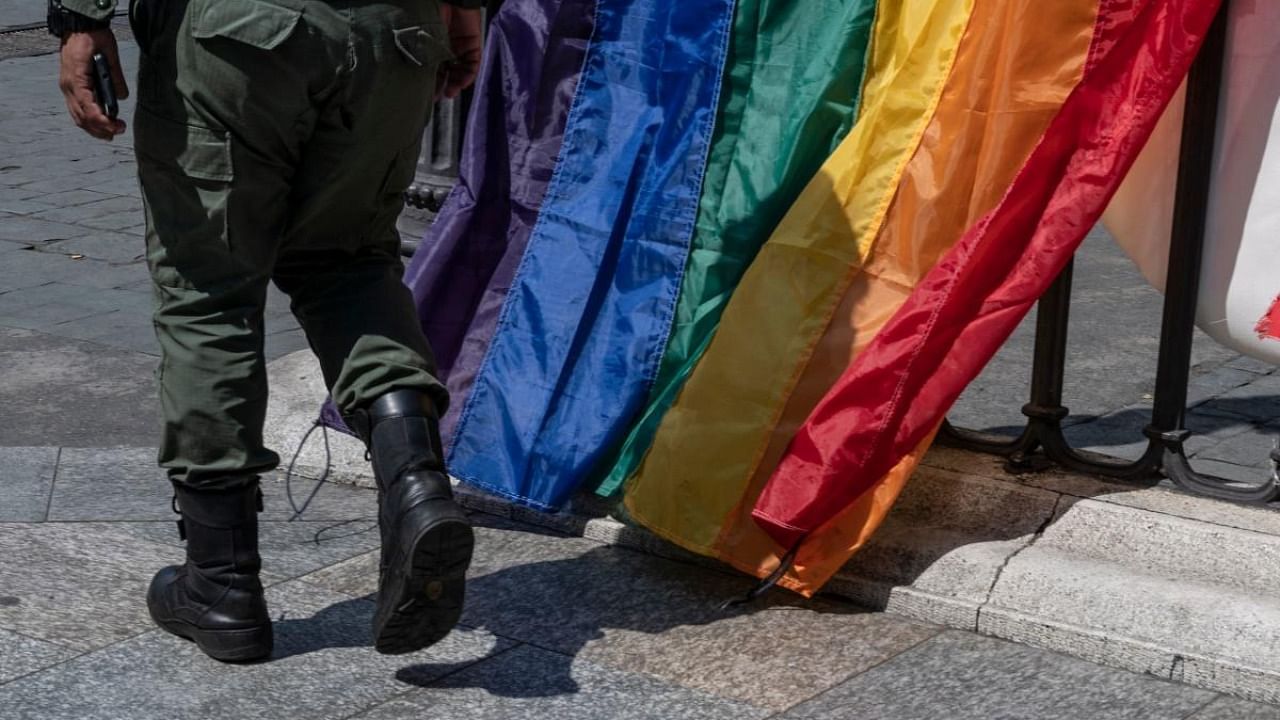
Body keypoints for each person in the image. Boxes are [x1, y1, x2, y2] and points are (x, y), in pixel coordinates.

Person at [49, 0, 483, 662]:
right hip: (395, 28)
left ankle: (221, 585)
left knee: (207, 290)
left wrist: (80, 17)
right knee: (351, 261)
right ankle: (417, 483)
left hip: (237, 30)